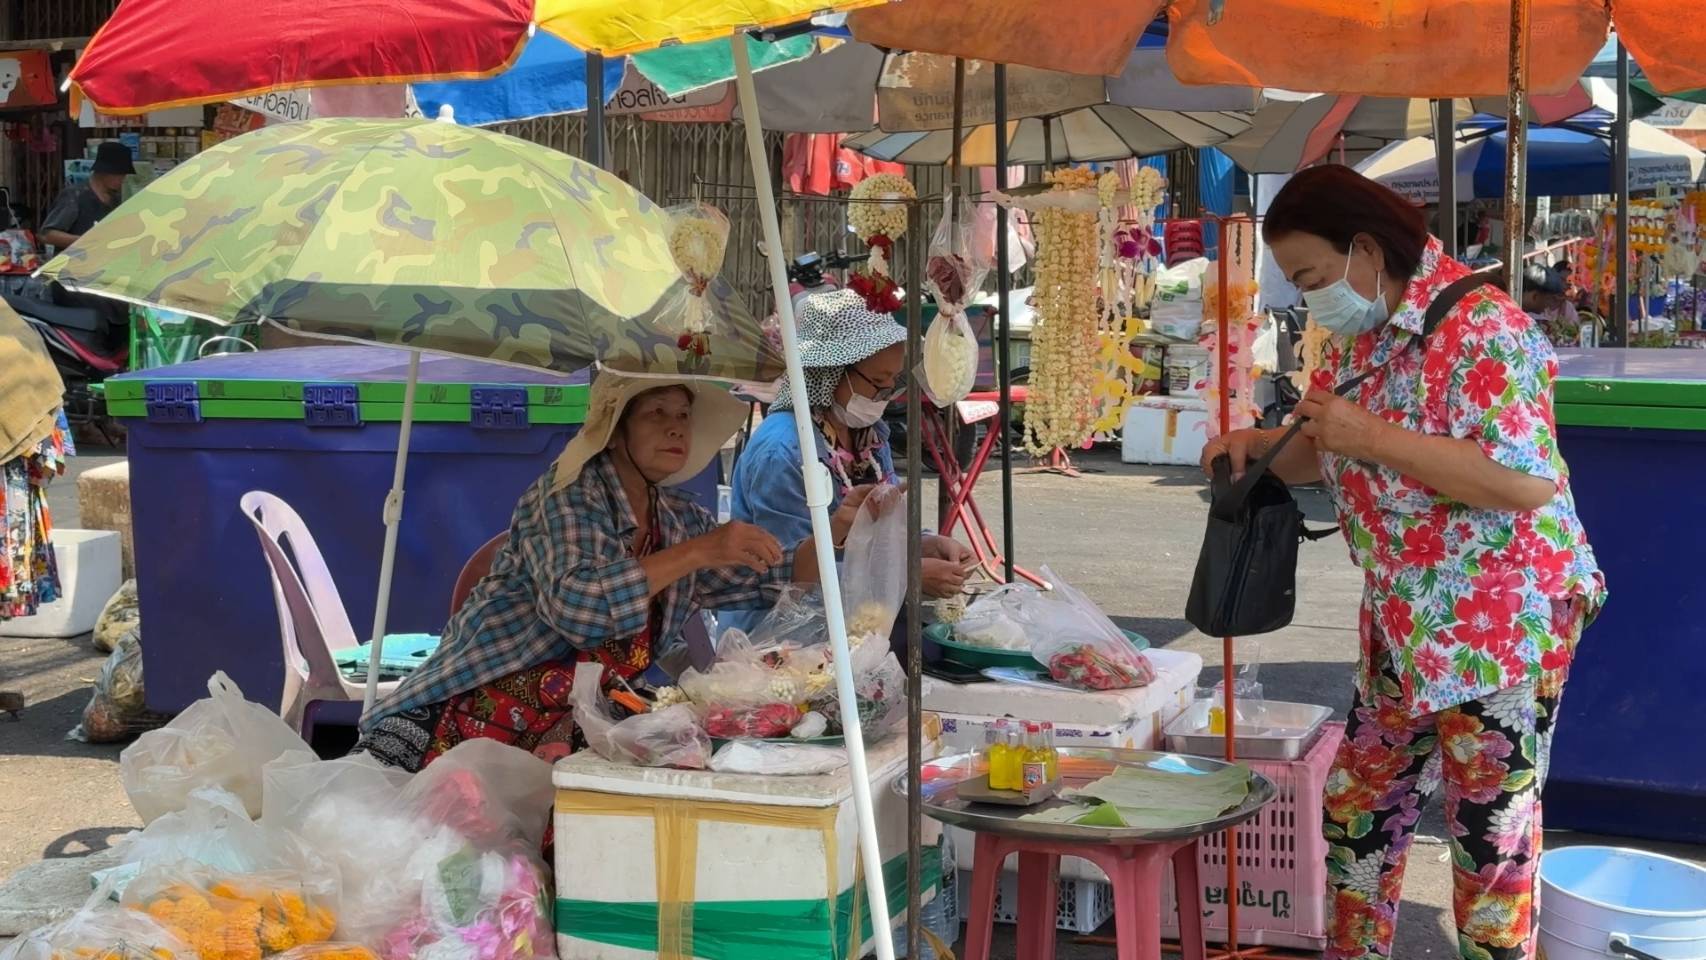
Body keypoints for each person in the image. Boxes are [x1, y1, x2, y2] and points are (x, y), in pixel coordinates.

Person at [1201, 165, 1605, 960]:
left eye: (1311, 277)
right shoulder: (1363, 334)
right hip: (1402, 616)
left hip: (1498, 617)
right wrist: (1260, 448)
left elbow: (1523, 480)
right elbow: (1326, 447)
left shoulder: (1483, 327)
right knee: (1358, 809)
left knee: (1488, 837)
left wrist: (1372, 438)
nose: (1310, 297)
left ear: (1364, 249)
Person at [356, 371, 874, 772]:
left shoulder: (675, 517)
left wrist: (838, 530)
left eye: (683, 414)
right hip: (466, 713)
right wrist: (699, 551)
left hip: (574, 722)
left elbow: (769, 575)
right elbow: (580, 611)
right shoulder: (566, 496)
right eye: (656, 413)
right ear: (616, 429)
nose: (676, 426)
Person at [720, 289, 974, 637]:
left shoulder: (870, 435)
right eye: (878, 383)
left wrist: (923, 544)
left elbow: (879, 528)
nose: (886, 395)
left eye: (893, 382)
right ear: (829, 373)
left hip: (854, 626)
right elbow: (789, 577)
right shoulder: (782, 450)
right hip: (777, 638)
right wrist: (906, 577)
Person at [40, 141, 132, 251]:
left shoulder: (115, 199)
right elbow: (47, 235)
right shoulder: (75, 195)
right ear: (104, 172)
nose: (123, 179)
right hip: (75, 260)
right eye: (120, 175)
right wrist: (87, 242)